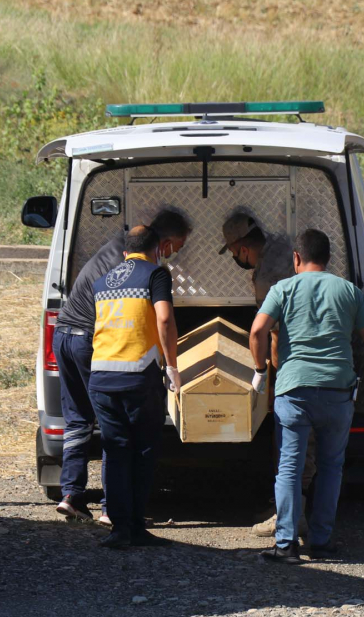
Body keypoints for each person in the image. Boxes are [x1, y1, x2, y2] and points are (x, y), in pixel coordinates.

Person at [249, 229, 364, 564]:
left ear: (296, 258)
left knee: (289, 465)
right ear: (327, 258)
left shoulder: (282, 289)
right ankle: (323, 542)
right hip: (337, 392)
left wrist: (260, 372)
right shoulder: (348, 291)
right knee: (331, 466)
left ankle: (286, 545)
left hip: (294, 391)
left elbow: (258, 331)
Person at [53, 210, 190, 522]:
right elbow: (145, 317)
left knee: (77, 420)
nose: (174, 256)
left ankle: (71, 494)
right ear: (163, 245)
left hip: (63, 334)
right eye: (176, 249)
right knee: (111, 426)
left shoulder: (116, 247)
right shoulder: (138, 268)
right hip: (90, 338)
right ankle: (110, 509)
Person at [217, 211, 311, 538]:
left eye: (232, 252)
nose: (235, 259)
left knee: (286, 441)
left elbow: (268, 333)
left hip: (293, 364)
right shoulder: (287, 248)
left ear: (242, 248)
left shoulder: (266, 276)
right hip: (321, 363)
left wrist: (269, 379)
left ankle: (286, 514)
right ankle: (302, 512)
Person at [88, 226, 179, 549]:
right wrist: (171, 366)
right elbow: (164, 320)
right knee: (142, 451)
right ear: (156, 250)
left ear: (125, 253)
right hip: (138, 376)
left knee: (115, 451)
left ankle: (119, 529)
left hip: (100, 377)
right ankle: (136, 527)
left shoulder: (103, 281)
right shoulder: (156, 275)